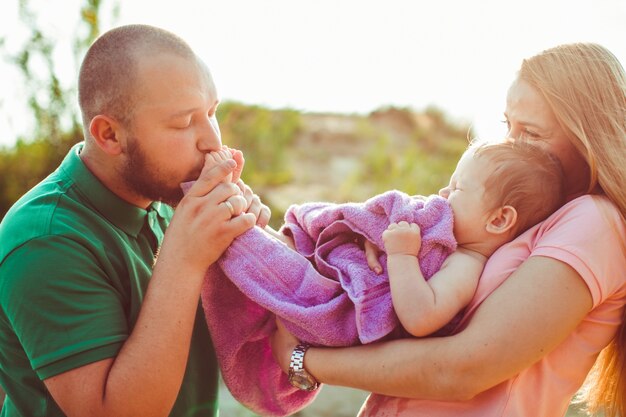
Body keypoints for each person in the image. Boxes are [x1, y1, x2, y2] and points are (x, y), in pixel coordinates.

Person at [270, 43, 626, 417]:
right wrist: (382, 245)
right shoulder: (523, 218)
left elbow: (463, 369)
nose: (511, 145)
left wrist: (303, 360)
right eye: (508, 125)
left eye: (532, 134)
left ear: (589, 138)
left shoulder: (595, 223)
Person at [0, 25, 269, 417]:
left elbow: (264, 355)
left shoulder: (167, 200)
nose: (212, 140)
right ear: (109, 135)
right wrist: (185, 258)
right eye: (183, 123)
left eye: (212, 113)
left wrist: (262, 252)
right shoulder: (44, 240)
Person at [196, 139, 563, 416]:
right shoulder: (445, 238)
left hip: (346, 316)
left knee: (283, 271)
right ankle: (243, 216)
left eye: (457, 190)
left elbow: (421, 317)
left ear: (498, 220)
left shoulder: (466, 263)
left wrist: (402, 255)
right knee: (300, 248)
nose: (442, 194)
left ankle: (231, 222)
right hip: (346, 279)